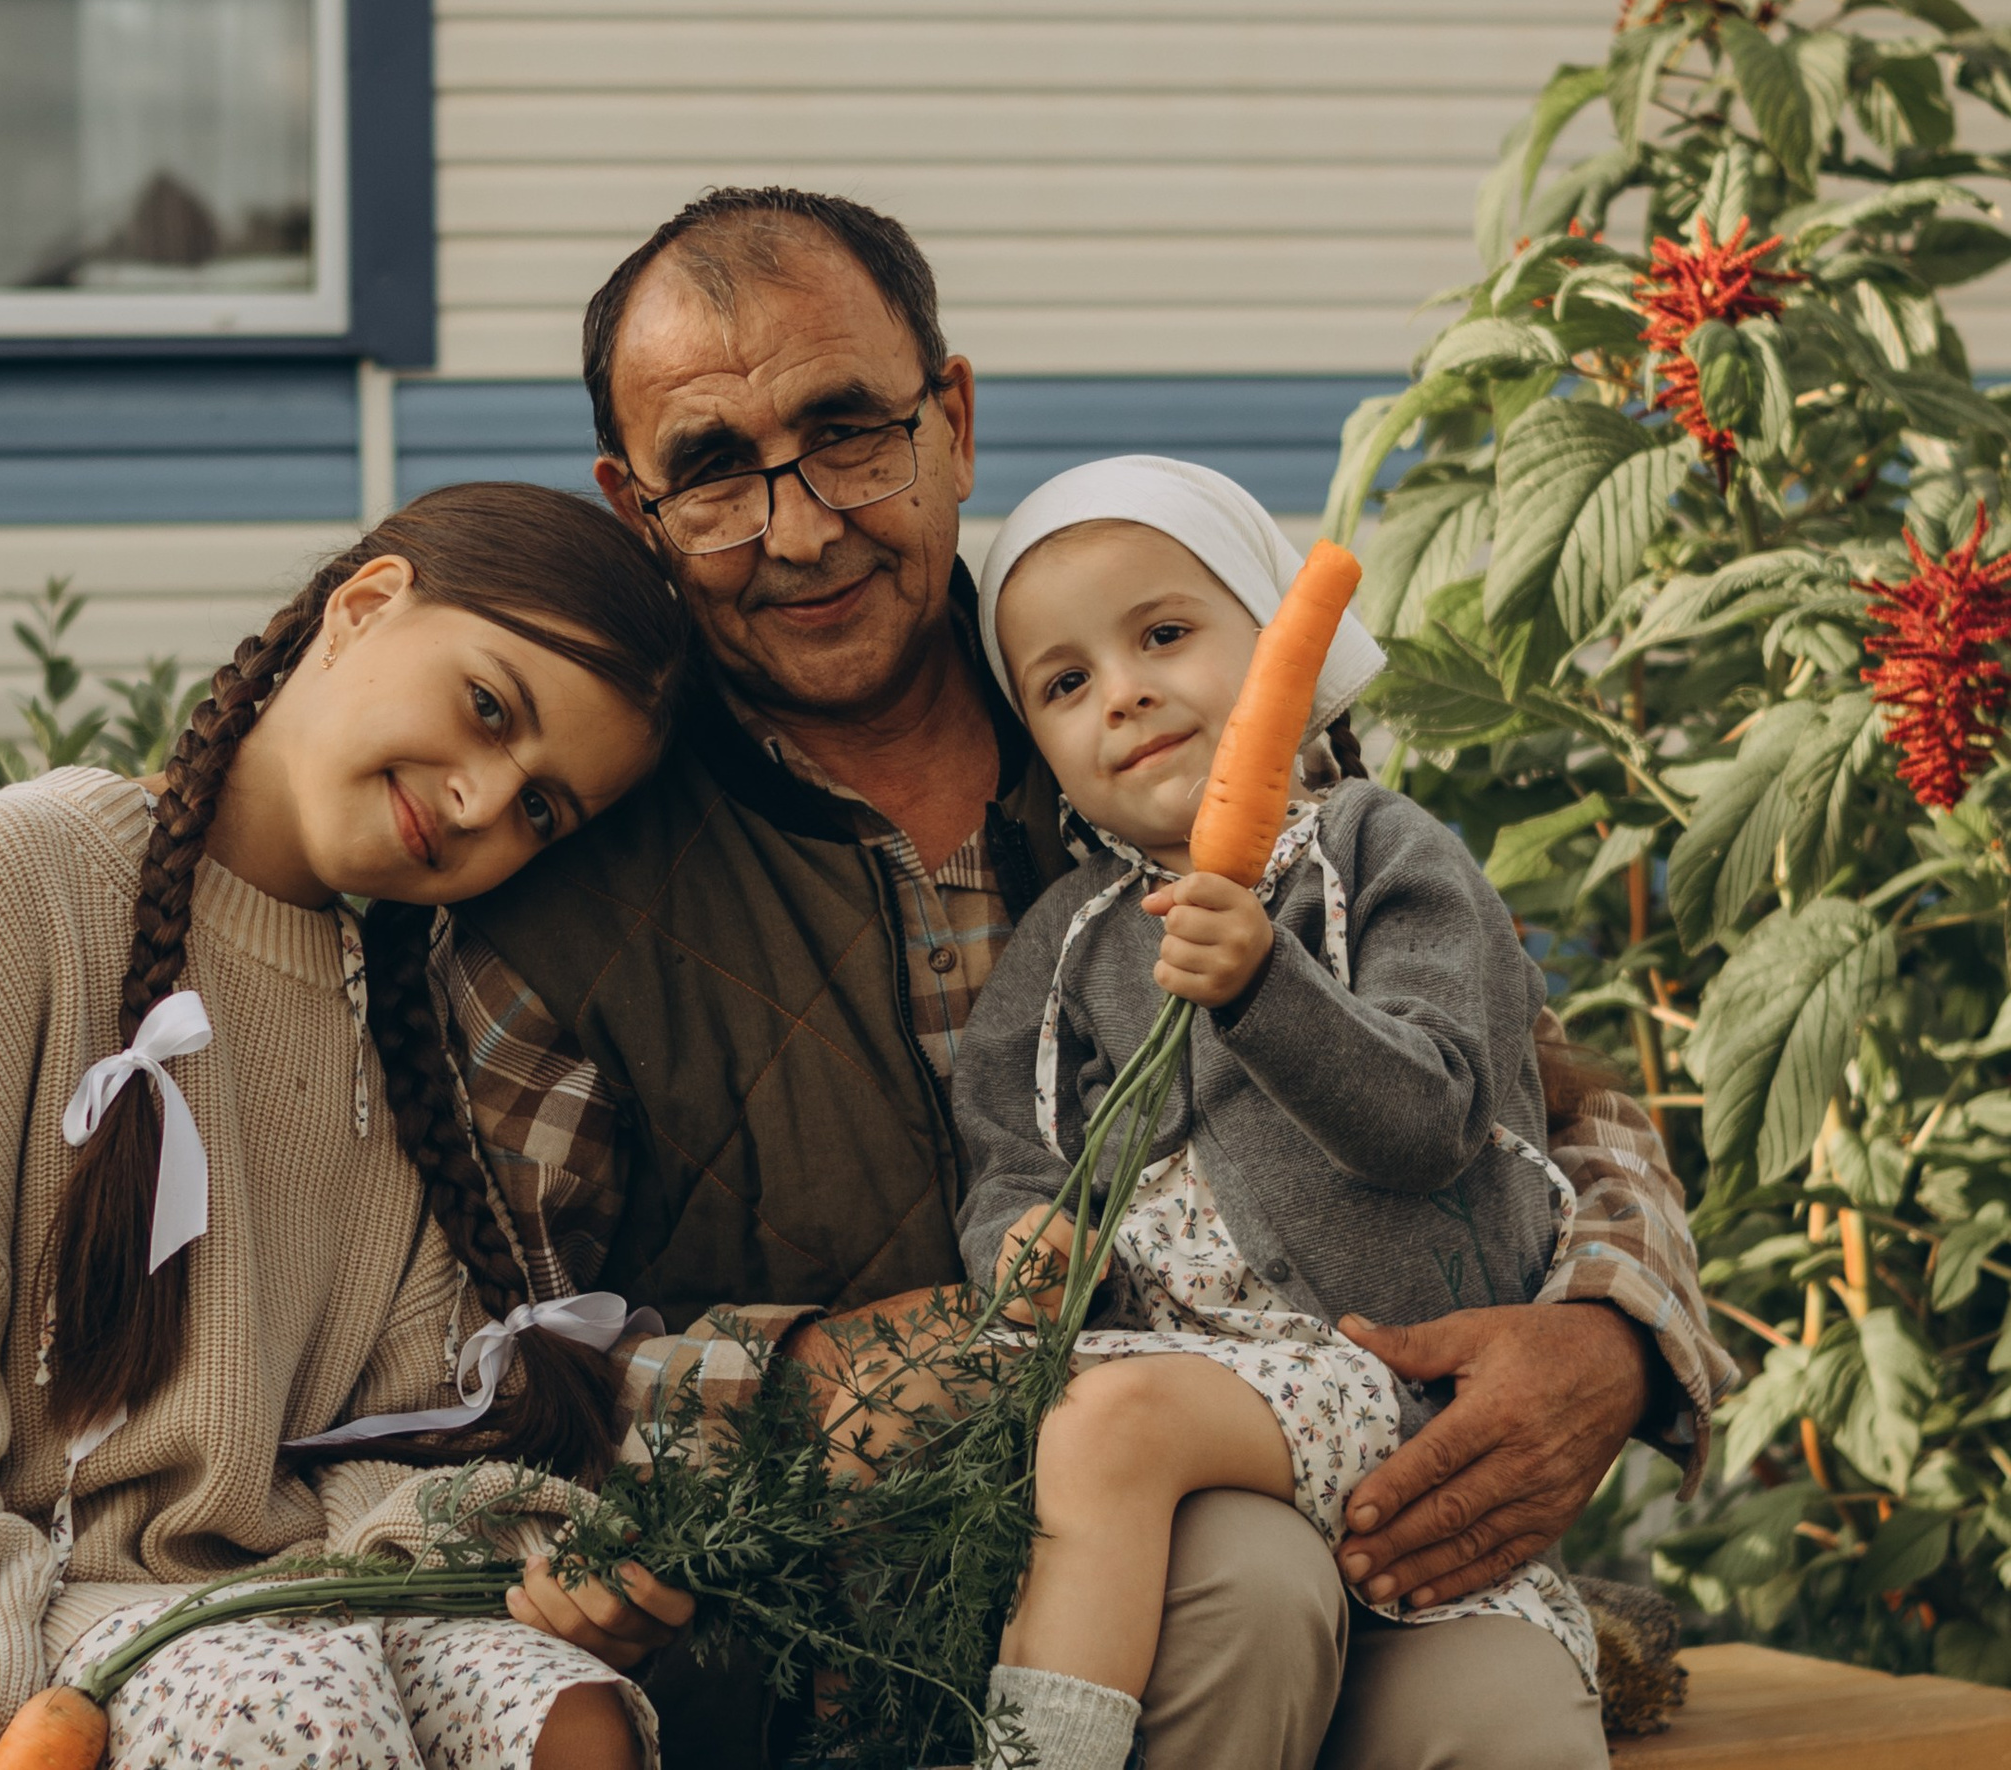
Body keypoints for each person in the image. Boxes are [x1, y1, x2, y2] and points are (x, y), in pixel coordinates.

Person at [443, 187, 1735, 1770]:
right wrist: (809, 1379)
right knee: (1249, 1591)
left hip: (1346, 1505)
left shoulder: (1171, 697)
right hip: (842, 1647)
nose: (798, 527)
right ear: (633, 506)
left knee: (1381, 1645)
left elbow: (1527, 1082)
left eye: (849, 432)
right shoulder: (556, 869)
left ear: (955, 419)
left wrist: (1606, 1333)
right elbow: (481, 1361)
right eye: (713, 471)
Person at [0, 482, 701, 1770]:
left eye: (541, 809)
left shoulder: (398, 1018)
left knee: (565, 1719)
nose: (479, 802)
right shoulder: (25, 877)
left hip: (282, 1600)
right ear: (364, 605)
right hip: (37, 1607)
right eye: (487, 709)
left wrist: (529, 1551)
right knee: (292, 1703)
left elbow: (393, 1433)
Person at [957, 457, 1609, 1770]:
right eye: (1066, 683)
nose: (1123, 691)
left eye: (1164, 634)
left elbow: (1436, 1121)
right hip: (1201, 1430)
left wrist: (1269, 984)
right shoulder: (1066, 943)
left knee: (1516, 1728)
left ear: (1282, 647)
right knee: (1105, 1421)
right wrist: (1023, 1249)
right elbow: (1009, 1156)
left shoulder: (1384, 855)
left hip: (1396, 1392)